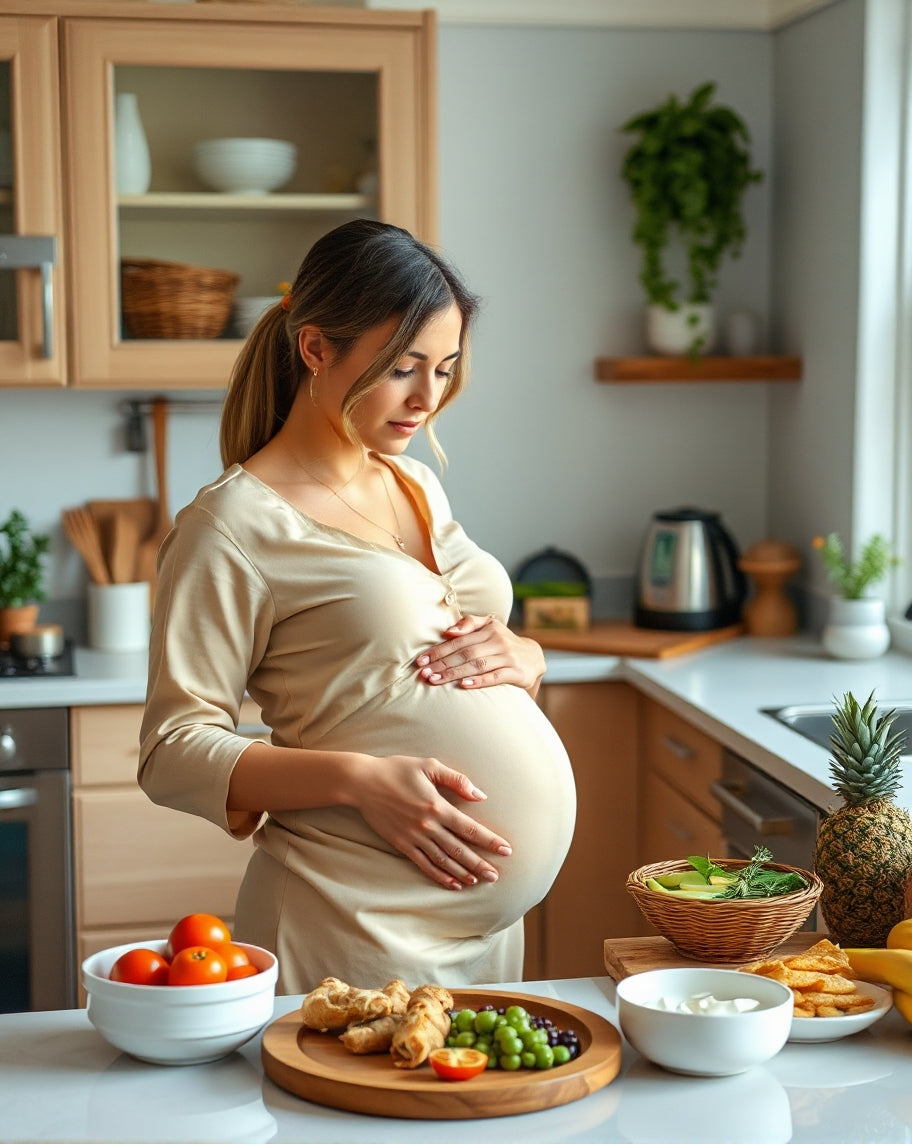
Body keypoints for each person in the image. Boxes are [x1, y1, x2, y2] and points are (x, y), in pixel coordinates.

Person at [138, 219, 576, 993]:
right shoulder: (232, 527)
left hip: (483, 933)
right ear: (315, 349)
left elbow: (451, 646)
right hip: (348, 930)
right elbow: (172, 749)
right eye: (403, 367)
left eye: (444, 369)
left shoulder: (411, 482)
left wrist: (529, 656)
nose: (427, 398)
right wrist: (357, 781)